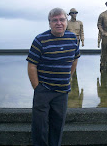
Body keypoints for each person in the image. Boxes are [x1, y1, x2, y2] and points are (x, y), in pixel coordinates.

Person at [26, 8, 80, 146]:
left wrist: (67, 77)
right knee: (40, 126)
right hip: (43, 90)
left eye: (62, 19)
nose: (59, 23)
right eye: (54, 20)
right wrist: (37, 88)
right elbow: (32, 65)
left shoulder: (73, 39)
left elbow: (75, 59)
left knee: (57, 126)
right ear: (49, 23)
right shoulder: (40, 40)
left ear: (66, 21)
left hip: (62, 92)